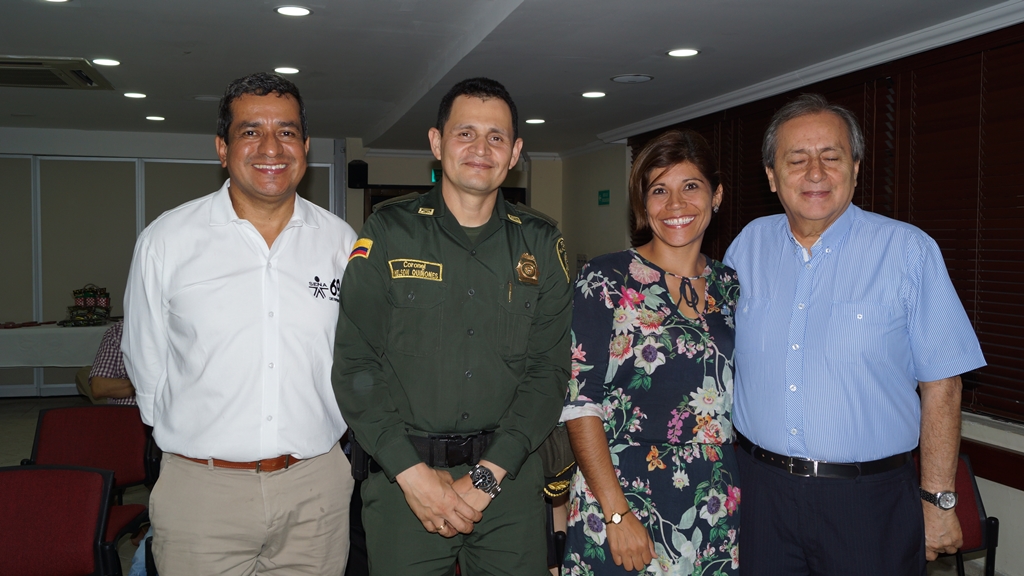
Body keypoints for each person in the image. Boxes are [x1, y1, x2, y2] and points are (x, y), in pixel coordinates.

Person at [724, 93, 987, 576]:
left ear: (856, 167)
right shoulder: (746, 248)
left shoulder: (908, 250)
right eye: (797, 159)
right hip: (760, 494)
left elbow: (943, 385)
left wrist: (938, 500)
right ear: (771, 175)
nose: (816, 173)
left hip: (868, 503)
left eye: (832, 156)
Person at [331, 77, 572, 576]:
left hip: (508, 485)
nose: (480, 149)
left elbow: (548, 375)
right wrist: (414, 477)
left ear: (515, 153)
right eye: (465, 134)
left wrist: (485, 478)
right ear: (437, 143)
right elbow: (355, 366)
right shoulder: (388, 231)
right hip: (405, 486)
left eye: (496, 137)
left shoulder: (543, 245)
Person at [122, 72, 358, 575]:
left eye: (287, 131)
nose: (271, 146)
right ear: (222, 148)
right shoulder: (167, 240)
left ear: (306, 146)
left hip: (317, 492)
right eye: (251, 131)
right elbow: (145, 359)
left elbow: (353, 355)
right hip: (203, 494)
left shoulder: (340, 243)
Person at [561, 130, 740, 575]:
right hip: (622, 495)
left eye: (691, 187)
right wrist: (617, 513)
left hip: (714, 501)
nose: (675, 205)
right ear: (643, 204)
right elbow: (581, 406)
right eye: (659, 190)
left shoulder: (731, 286)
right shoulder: (605, 280)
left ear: (716, 195)